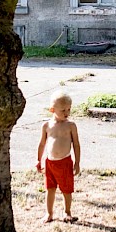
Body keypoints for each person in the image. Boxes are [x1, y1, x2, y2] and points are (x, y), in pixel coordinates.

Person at [36, 91, 82, 222]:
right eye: (63, 110)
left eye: (69, 109)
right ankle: (49, 213)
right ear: (52, 109)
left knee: (66, 189)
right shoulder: (46, 125)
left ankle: (67, 212)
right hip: (50, 162)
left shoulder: (71, 125)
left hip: (65, 162)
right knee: (50, 189)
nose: (66, 112)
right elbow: (42, 144)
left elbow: (76, 145)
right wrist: (39, 160)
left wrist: (77, 163)